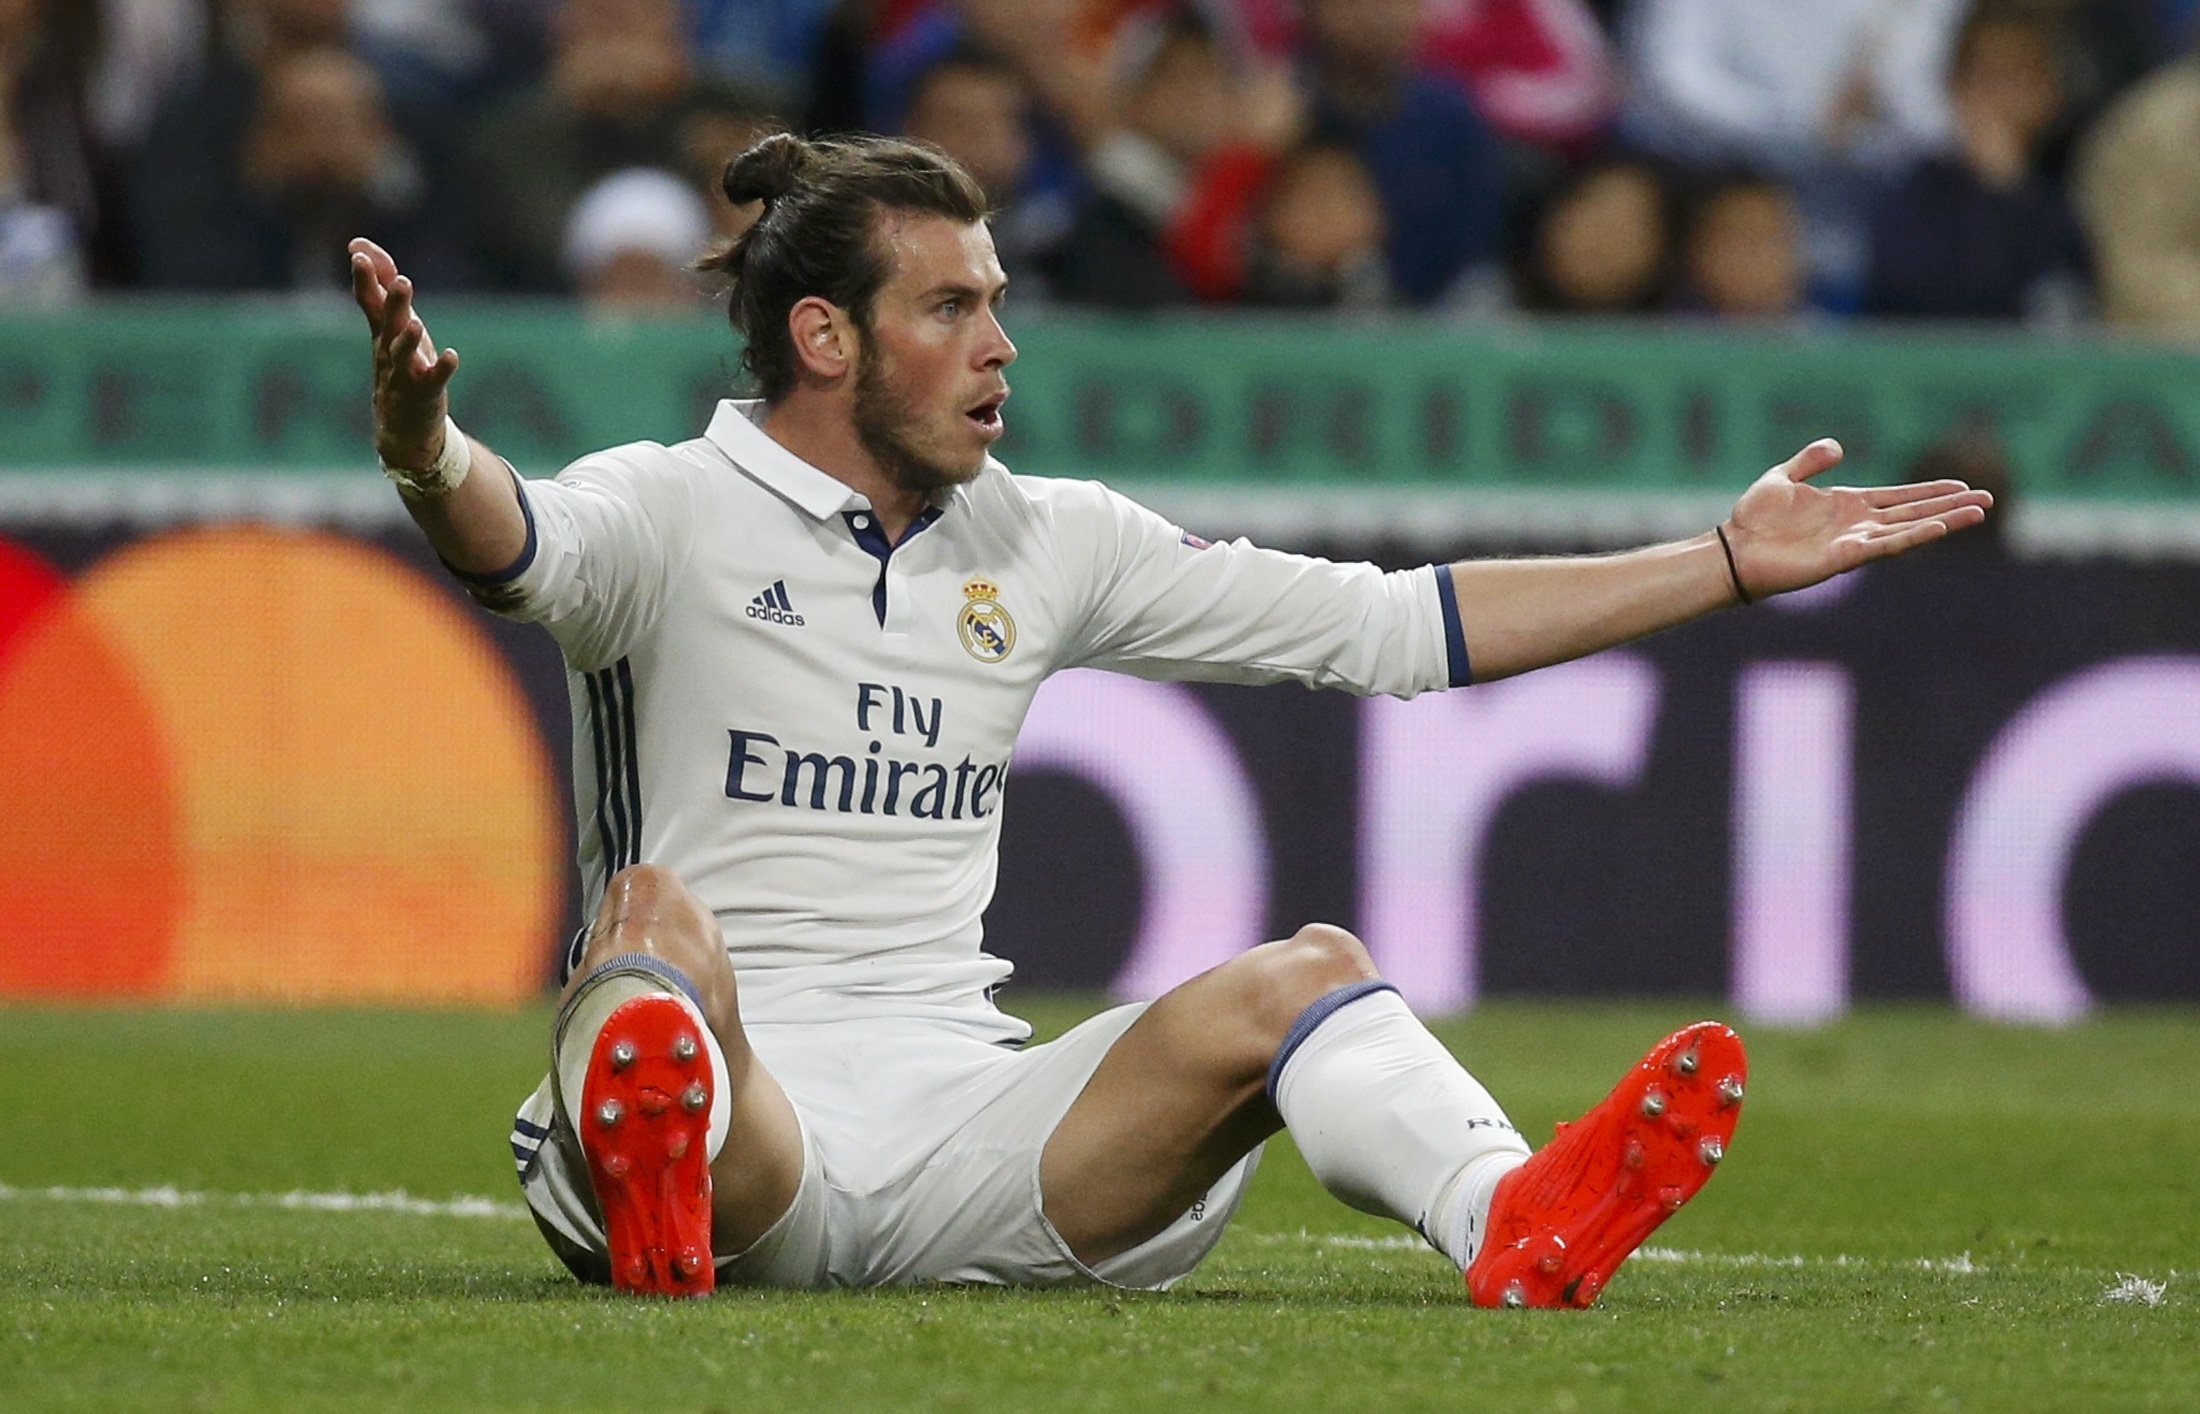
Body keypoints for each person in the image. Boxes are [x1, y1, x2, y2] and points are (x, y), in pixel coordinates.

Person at [347, 133, 1990, 1304]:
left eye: (999, 299)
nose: (1001, 345)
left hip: (972, 1127)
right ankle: (667, 1191)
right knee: (652, 926)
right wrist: (428, 448)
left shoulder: (1044, 537)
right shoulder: (669, 509)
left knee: (1311, 975)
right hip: (754, 1103)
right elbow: (513, 537)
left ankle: (1511, 1214)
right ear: (823, 338)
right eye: (950, 309)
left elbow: (1388, 628)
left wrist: (1715, 560)